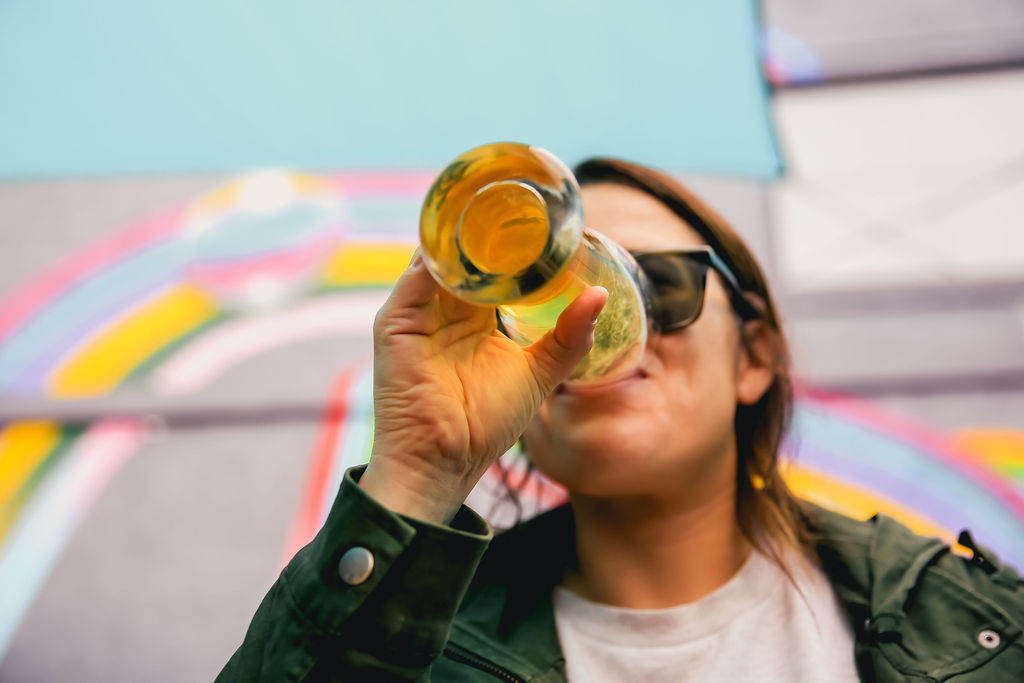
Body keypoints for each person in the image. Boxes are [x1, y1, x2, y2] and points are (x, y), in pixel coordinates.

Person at [217, 159, 1024, 682]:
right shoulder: (411, 649)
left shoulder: (972, 625)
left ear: (755, 357)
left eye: (659, 284)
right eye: (547, 294)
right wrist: (417, 474)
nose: (594, 314)